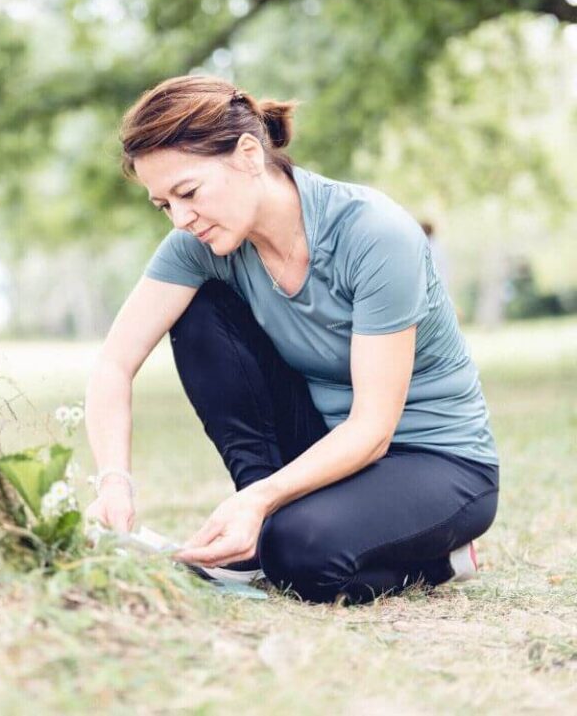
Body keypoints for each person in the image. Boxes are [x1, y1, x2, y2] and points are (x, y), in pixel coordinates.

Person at [84, 75, 499, 605]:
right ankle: (260, 526)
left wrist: (263, 500)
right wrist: (114, 482)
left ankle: (441, 559)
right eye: (164, 205)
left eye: (188, 192)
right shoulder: (197, 247)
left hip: (436, 461)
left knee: (301, 554)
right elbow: (114, 364)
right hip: (326, 441)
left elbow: (373, 429)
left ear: (250, 154)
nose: (182, 219)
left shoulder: (374, 235)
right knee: (198, 312)